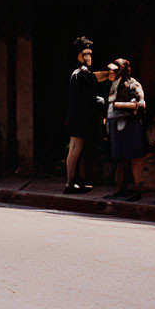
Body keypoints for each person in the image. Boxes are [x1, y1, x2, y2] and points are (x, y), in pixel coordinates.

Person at [64, 36, 110, 193]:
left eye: (89, 53)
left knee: (78, 149)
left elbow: (94, 77)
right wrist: (99, 100)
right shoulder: (79, 73)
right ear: (78, 55)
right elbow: (91, 84)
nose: (88, 57)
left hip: (80, 118)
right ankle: (70, 183)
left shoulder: (81, 73)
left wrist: (109, 73)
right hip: (79, 118)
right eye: (85, 54)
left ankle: (76, 181)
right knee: (75, 148)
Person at [104, 58, 146, 201]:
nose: (111, 72)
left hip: (129, 124)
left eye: (114, 70)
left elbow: (141, 104)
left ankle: (137, 188)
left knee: (134, 157)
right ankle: (121, 188)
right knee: (119, 158)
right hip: (115, 125)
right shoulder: (113, 84)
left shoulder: (133, 84)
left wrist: (120, 105)